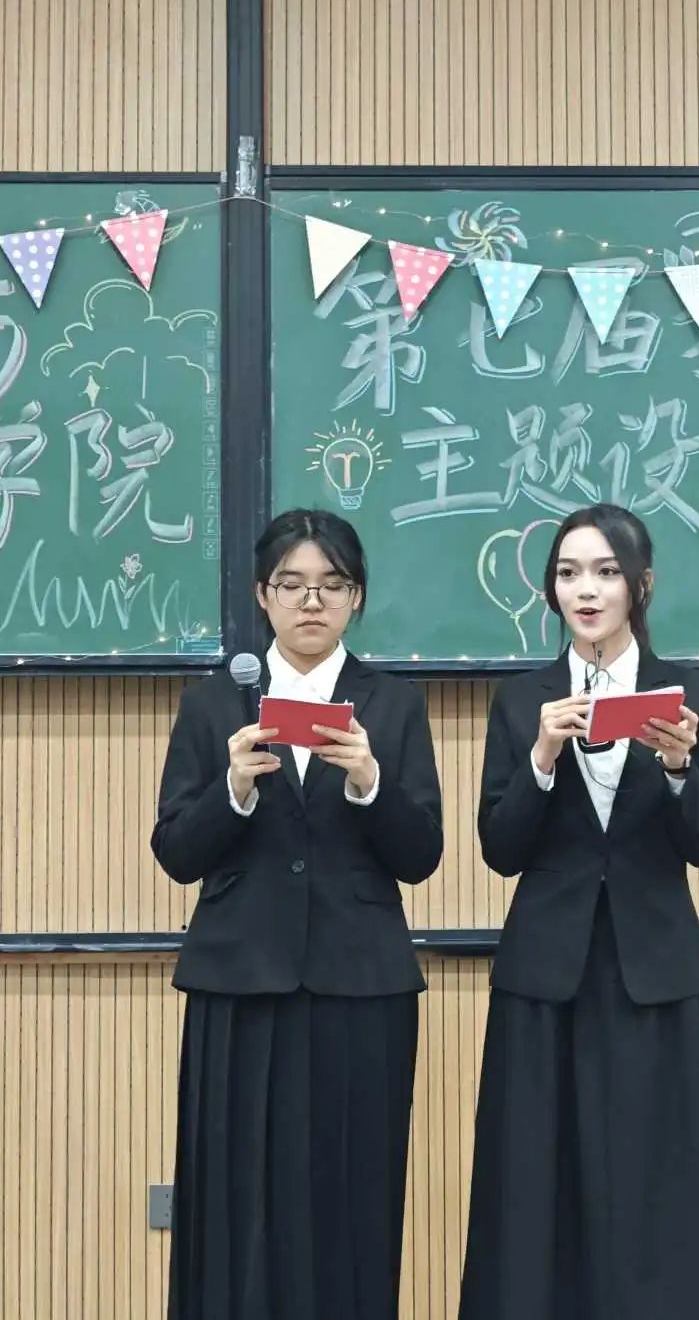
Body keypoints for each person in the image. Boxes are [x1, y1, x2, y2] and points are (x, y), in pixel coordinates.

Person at [152, 507, 443, 1320]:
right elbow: (176, 851)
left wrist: (370, 783)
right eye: (292, 585)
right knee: (236, 1195)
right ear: (262, 595)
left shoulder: (393, 705)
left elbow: (421, 855)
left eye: (331, 585)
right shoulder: (216, 704)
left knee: (354, 1191)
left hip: (362, 985)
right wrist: (233, 790)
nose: (312, 602)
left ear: (357, 597)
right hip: (241, 982)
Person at [459, 503, 699, 1320]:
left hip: (657, 974)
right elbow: (501, 847)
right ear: (550, 590)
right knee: (535, 1186)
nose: (586, 591)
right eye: (568, 574)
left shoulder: (691, 695)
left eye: (606, 573)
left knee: (659, 1185)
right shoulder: (523, 700)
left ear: (640, 586)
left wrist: (682, 768)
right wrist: (542, 756)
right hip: (546, 977)